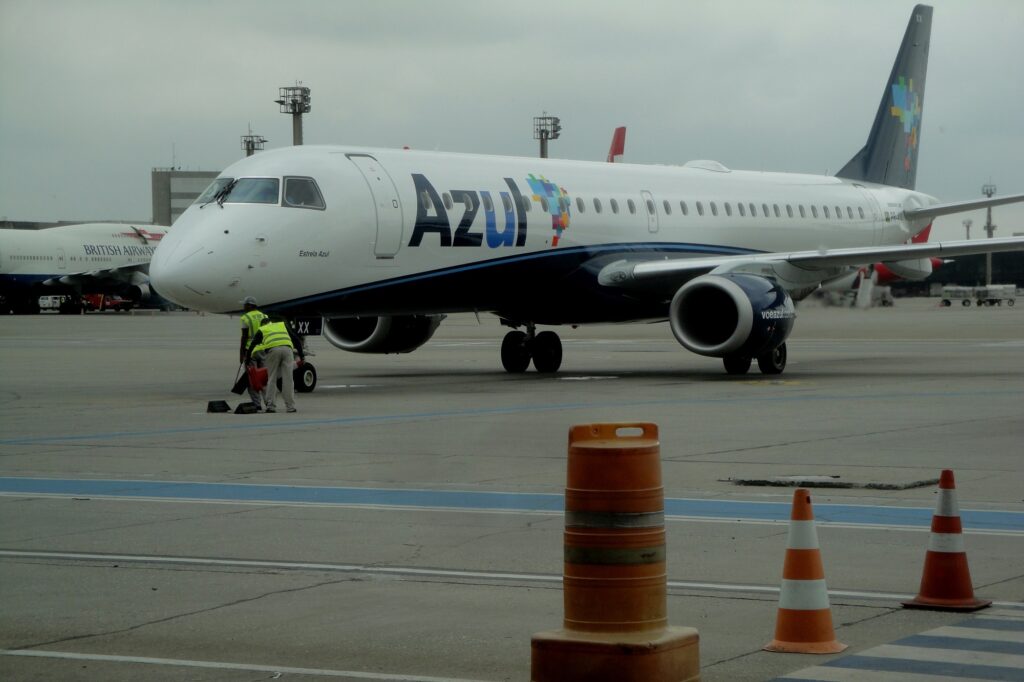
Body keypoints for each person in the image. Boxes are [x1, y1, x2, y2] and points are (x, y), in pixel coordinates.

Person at [246, 316, 305, 413]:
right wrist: (301, 356)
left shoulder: (262, 329)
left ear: (263, 324)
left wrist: (248, 359)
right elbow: (296, 340)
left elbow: (253, 344)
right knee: (288, 379)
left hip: (273, 351)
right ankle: (290, 407)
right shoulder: (281, 325)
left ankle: (271, 406)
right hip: (287, 350)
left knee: (272, 378)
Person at [239, 296, 267, 410]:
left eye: (245, 305)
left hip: (250, 350)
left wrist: (241, 354)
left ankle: (257, 404)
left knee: (252, 378)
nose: (243, 307)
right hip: (263, 349)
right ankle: (269, 402)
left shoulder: (245, 318)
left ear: (250, 305)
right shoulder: (264, 316)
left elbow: (244, 337)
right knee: (264, 378)